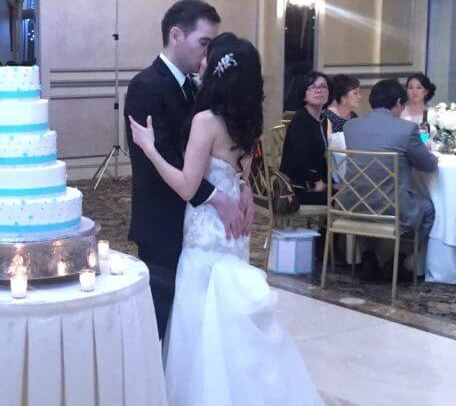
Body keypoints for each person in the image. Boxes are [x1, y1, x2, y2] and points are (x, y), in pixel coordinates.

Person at [129, 34, 322, 406]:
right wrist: (244, 192)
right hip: (234, 226)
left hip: (206, 226)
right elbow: (241, 173)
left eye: (207, 58)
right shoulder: (247, 120)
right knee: (229, 312)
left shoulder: (206, 120)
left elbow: (188, 186)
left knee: (199, 316)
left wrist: (150, 148)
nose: (201, 63)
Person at [124, 0, 255, 340]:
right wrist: (217, 197)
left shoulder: (198, 88)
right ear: (176, 35)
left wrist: (242, 185)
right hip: (165, 221)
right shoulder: (146, 86)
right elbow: (165, 159)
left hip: (198, 225)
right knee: (164, 320)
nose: (207, 54)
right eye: (204, 43)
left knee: (200, 322)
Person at [343, 79, 438, 278]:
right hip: (391, 209)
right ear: (398, 102)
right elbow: (428, 165)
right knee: (429, 209)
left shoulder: (351, 127)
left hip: (351, 205)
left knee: (367, 194)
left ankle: (368, 257)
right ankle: (402, 261)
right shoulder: (405, 129)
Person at [280, 71, 333, 205]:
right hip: (297, 188)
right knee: (343, 200)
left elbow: (321, 157)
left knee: (345, 192)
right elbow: (302, 158)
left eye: (323, 87)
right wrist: (317, 181)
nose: (318, 90)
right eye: (313, 87)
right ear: (304, 94)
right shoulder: (301, 120)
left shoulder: (322, 119)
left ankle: (322, 227)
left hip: (312, 181)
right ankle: (323, 227)